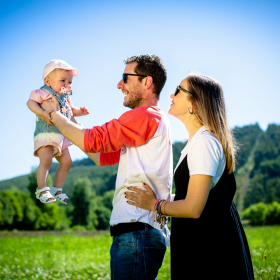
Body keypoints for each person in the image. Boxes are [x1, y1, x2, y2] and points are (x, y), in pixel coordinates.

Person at [41, 55, 173, 280]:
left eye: (125, 77)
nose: (119, 84)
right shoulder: (149, 121)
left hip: (136, 233)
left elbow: (92, 140)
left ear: (146, 82)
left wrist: (53, 115)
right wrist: (67, 119)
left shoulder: (145, 115)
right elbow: (100, 155)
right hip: (137, 233)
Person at [125, 73, 255, 280]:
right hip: (202, 242)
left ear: (193, 103)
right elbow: (201, 198)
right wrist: (164, 199)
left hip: (210, 250)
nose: (171, 95)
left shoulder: (205, 142)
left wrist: (156, 204)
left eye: (178, 90)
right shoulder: (196, 142)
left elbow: (194, 208)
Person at [27, 59, 89, 204]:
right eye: (63, 80)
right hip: (46, 132)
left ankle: (57, 188)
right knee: (46, 159)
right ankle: (42, 189)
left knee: (67, 161)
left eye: (70, 82)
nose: (67, 85)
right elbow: (30, 102)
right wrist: (42, 113)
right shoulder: (42, 92)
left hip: (61, 135)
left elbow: (70, 111)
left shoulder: (66, 98)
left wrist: (80, 111)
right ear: (48, 81)